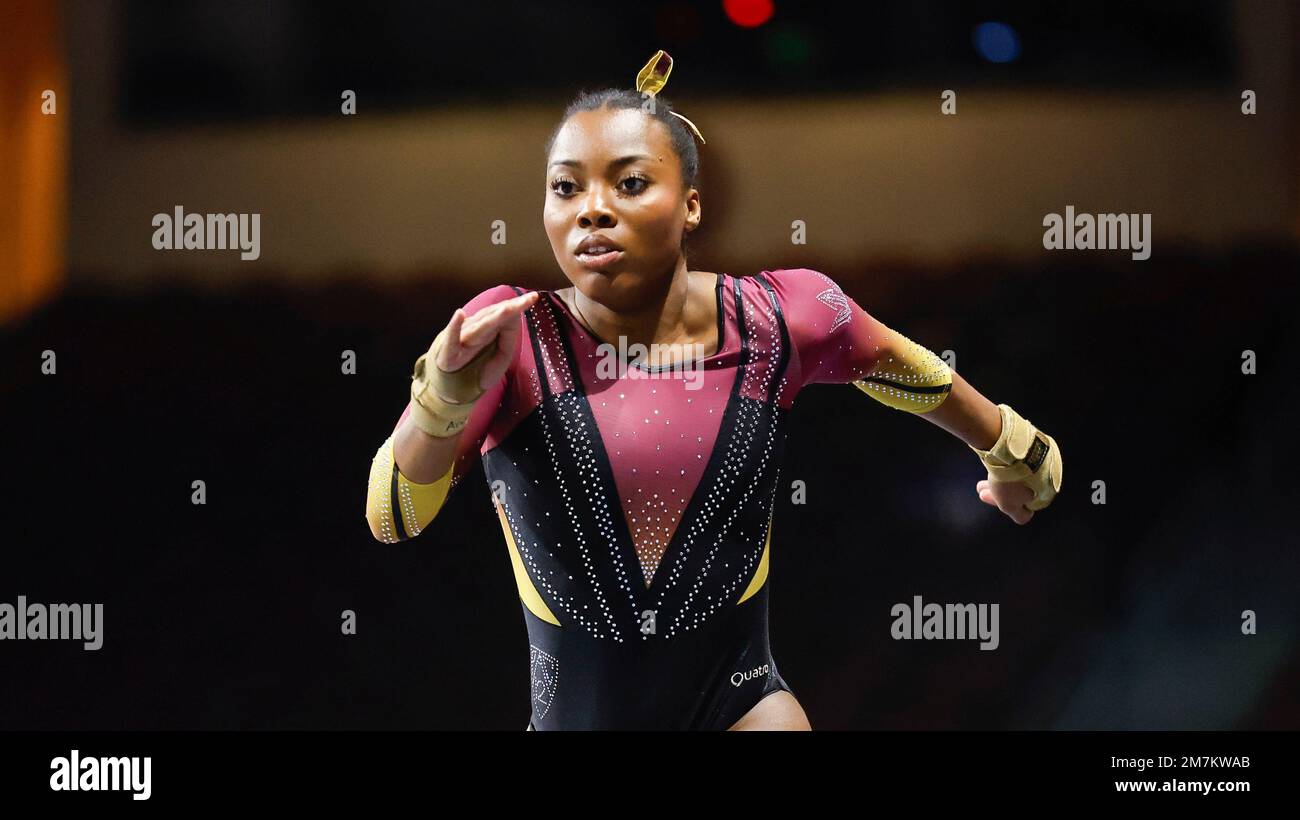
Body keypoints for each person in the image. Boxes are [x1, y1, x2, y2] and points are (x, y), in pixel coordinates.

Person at [364, 51, 1062, 730]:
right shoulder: (514, 337)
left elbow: (909, 371)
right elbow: (393, 515)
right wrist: (444, 401)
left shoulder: (783, 317)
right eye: (566, 187)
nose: (592, 210)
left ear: (692, 205)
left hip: (744, 709)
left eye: (630, 183)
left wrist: (1014, 452)